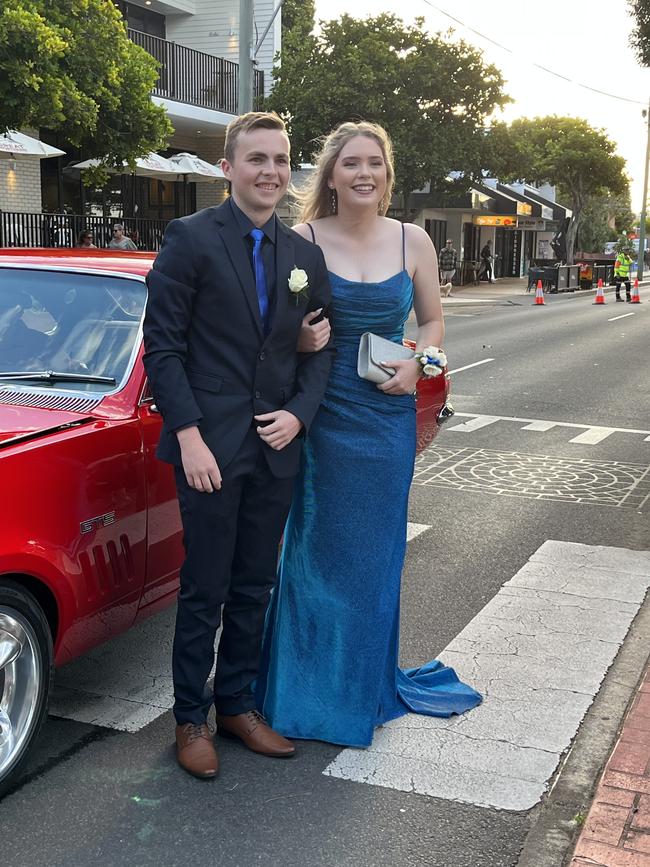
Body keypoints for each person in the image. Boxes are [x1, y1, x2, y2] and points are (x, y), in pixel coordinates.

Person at [255, 121, 481, 748]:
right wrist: (298, 338)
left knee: (373, 559)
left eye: (374, 164)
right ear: (330, 174)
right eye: (350, 163)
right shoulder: (301, 238)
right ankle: (300, 689)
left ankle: (358, 687)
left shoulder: (413, 241)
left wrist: (421, 363)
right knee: (310, 554)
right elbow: (270, 328)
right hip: (318, 416)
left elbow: (432, 322)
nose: (363, 173)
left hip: (384, 422)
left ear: (387, 175)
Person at [143, 111, 334, 778]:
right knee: (205, 587)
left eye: (280, 160)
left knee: (254, 584)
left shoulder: (303, 256)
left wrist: (300, 416)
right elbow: (162, 349)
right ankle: (189, 718)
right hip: (209, 449)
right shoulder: (190, 238)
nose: (271, 172)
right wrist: (188, 436)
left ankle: (236, 704)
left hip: (276, 448)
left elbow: (320, 352)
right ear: (228, 168)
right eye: (257, 159)